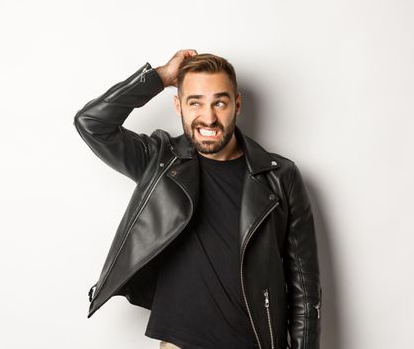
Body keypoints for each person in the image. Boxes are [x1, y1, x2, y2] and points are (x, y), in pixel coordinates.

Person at [74, 49, 321, 349]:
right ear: (178, 105)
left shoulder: (281, 177)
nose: (209, 117)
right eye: (195, 102)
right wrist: (160, 77)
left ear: (237, 104)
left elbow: (305, 294)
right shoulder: (161, 162)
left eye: (219, 102)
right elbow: (91, 123)